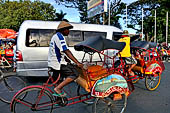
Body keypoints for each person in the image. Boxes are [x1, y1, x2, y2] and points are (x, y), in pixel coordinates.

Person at [48, 21, 83, 97]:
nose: (69, 31)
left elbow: (59, 51)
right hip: (57, 63)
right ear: (63, 30)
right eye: (68, 29)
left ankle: (58, 98)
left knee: (58, 80)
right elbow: (66, 51)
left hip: (53, 62)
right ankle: (58, 89)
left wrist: (67, 60)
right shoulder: (60, 37)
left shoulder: (56, 36)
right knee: (75, 74)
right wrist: (77, 62)